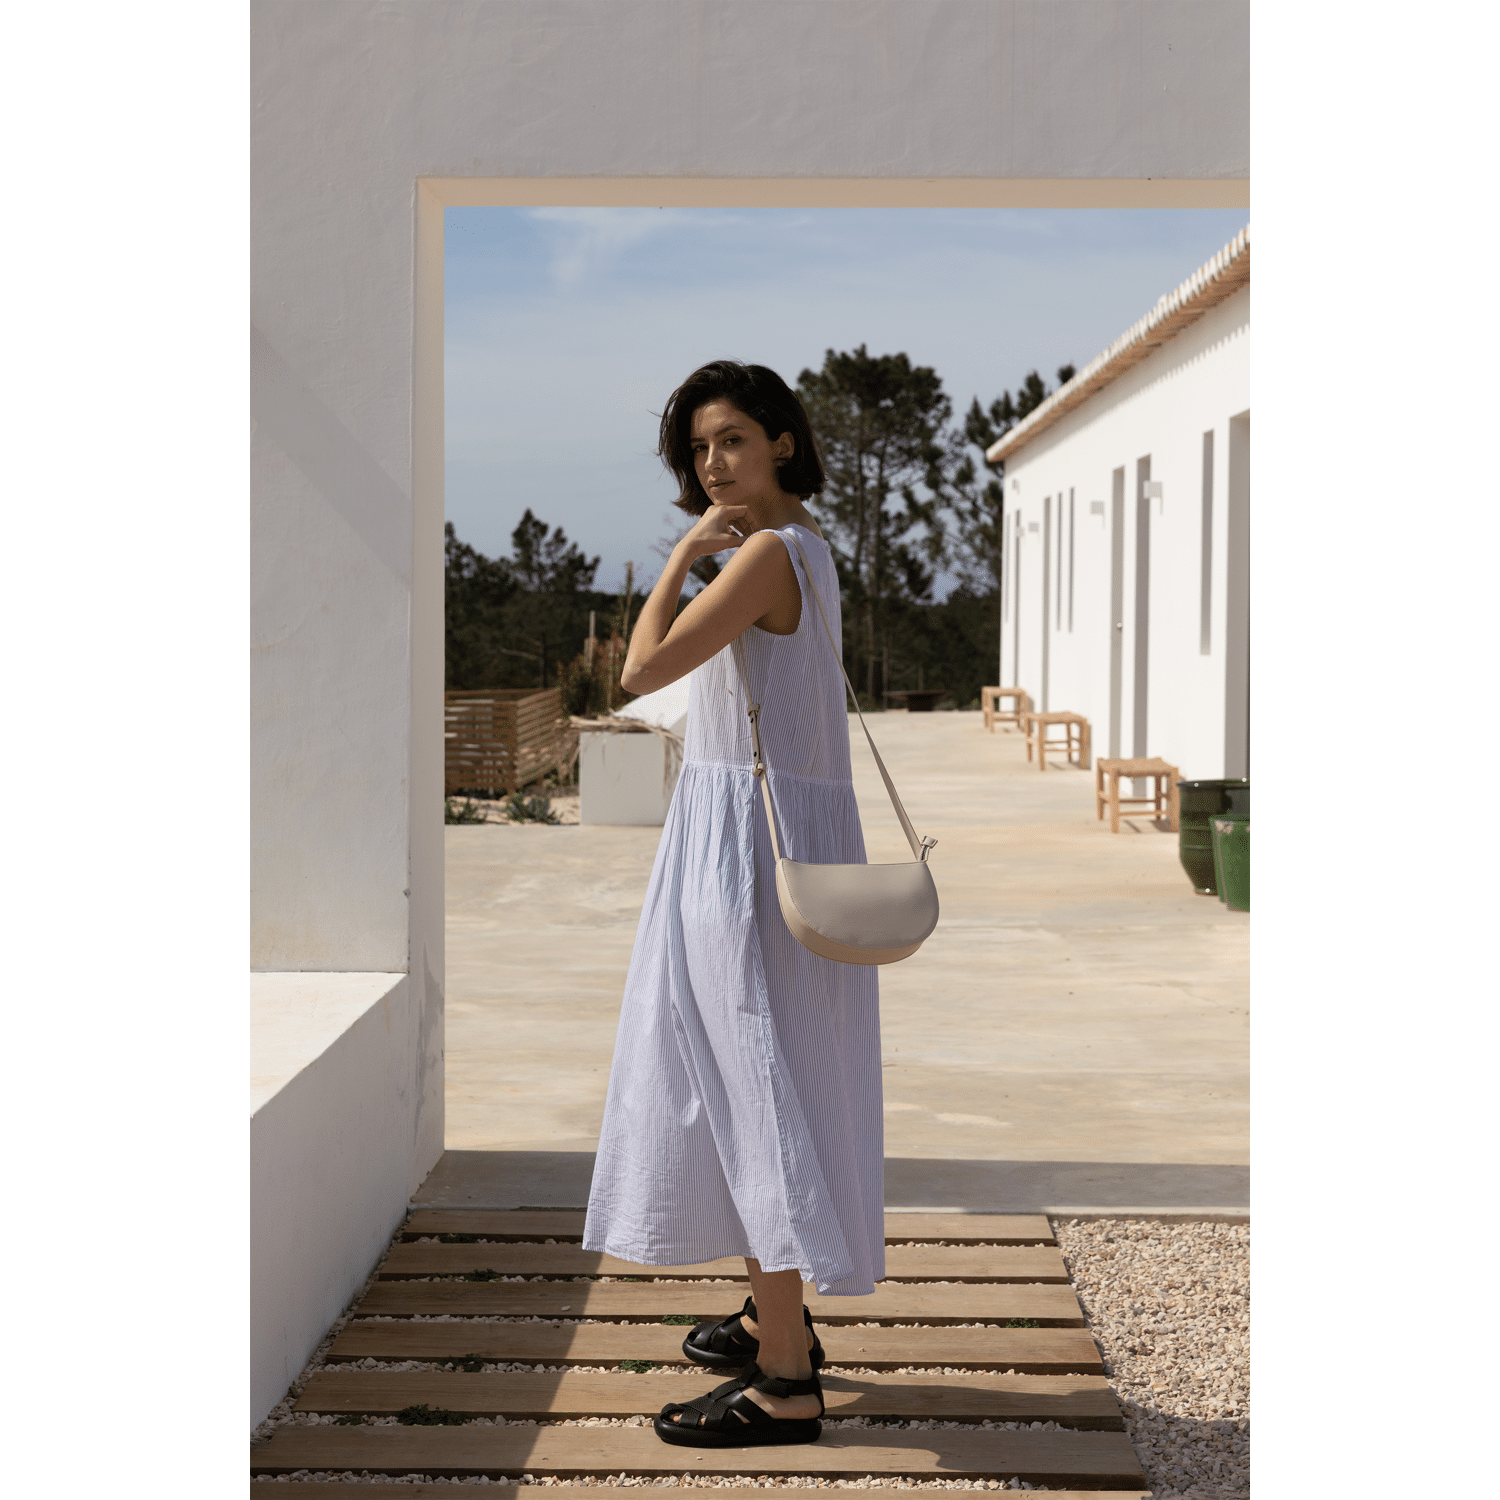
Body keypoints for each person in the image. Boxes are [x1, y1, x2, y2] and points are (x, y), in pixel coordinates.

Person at [582, 361, 884, 1448]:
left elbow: (639, 670)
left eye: (733, 441)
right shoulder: (806, 546)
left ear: (783, 443)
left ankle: (787, 1381)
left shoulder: (760, 554)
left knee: (756, 1095)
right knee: (765, 1083)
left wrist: (675, 559)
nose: (713, 464)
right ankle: (772, 1317)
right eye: (700, 448)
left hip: (747, 854)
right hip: (777, 836)